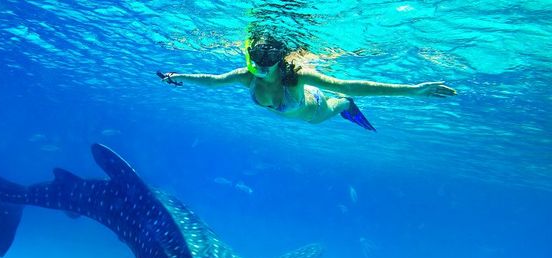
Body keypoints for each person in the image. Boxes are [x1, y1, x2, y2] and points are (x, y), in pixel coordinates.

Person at [157, 35, 457, 131]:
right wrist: (178, 76)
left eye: (267, 60)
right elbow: (212, 81)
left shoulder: (296, 76)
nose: (260, 67)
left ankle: (346, 108)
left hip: (314, 108)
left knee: (343, 100)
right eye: (255, 60)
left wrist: (414, 90)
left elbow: (351, 85)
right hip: (293, 108)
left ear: (279, 59)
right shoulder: (244, 75)